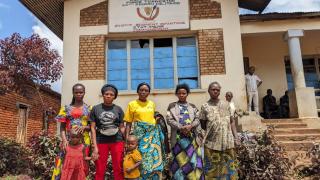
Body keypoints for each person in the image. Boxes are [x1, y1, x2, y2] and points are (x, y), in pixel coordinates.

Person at [124, 82, 166, 179]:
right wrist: (127, 139)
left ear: (149, 92)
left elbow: (151, 119)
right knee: (140, 157)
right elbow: (128, 123)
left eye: (146, 90)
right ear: (137, 92)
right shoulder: (132, 104)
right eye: (141, 90)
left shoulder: (152, 104)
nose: (143, 92)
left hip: (152, 136)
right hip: (139, 137)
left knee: (152, 157)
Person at [199, 82, 239, 179]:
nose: (215, 91)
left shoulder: (226, 105)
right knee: (212, 171)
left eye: (217, 90)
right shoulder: (205, 106)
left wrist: (236, 137)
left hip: (227, 142)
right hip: (211, 144)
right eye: (213, 89)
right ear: (209, 91)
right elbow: (203, 124)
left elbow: (232, 122)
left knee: (230, 170)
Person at [52, 83, 91, 180]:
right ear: (73, 93)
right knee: (63, 162)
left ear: (84, 93)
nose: (79, 94)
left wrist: (85, 127)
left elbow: (92, 126)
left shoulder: (89, 108)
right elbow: (62, 127)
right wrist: (64, 140)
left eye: (81, 92)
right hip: (69, 141)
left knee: (82, 164)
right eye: (76, 92)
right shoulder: (65, 109)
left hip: (84, 141)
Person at [166, 84, 204, 180]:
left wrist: (190, 126)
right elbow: (169, 120)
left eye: (184, 93)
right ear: (176, 94)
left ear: (187, 94)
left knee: (192, 161)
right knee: (179, 162)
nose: (182, 95)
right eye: (179, 93)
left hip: (191, 140)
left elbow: (197, 119)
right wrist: (181, 127)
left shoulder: (193, 106)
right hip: (178, 140)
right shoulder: (171, 106)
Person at [90, 84, 125, 180]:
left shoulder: (118, 109)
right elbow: (93, 128)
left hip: (117, 140)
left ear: (114, 97)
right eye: (106, 94)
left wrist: (126, 141)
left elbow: (122, 127)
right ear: (103, 95)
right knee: (100, 168)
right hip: (101, 141)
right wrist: (95, 146)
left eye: (111, 94)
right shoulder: (96, 109)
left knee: (118, 167)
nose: (108, 96)